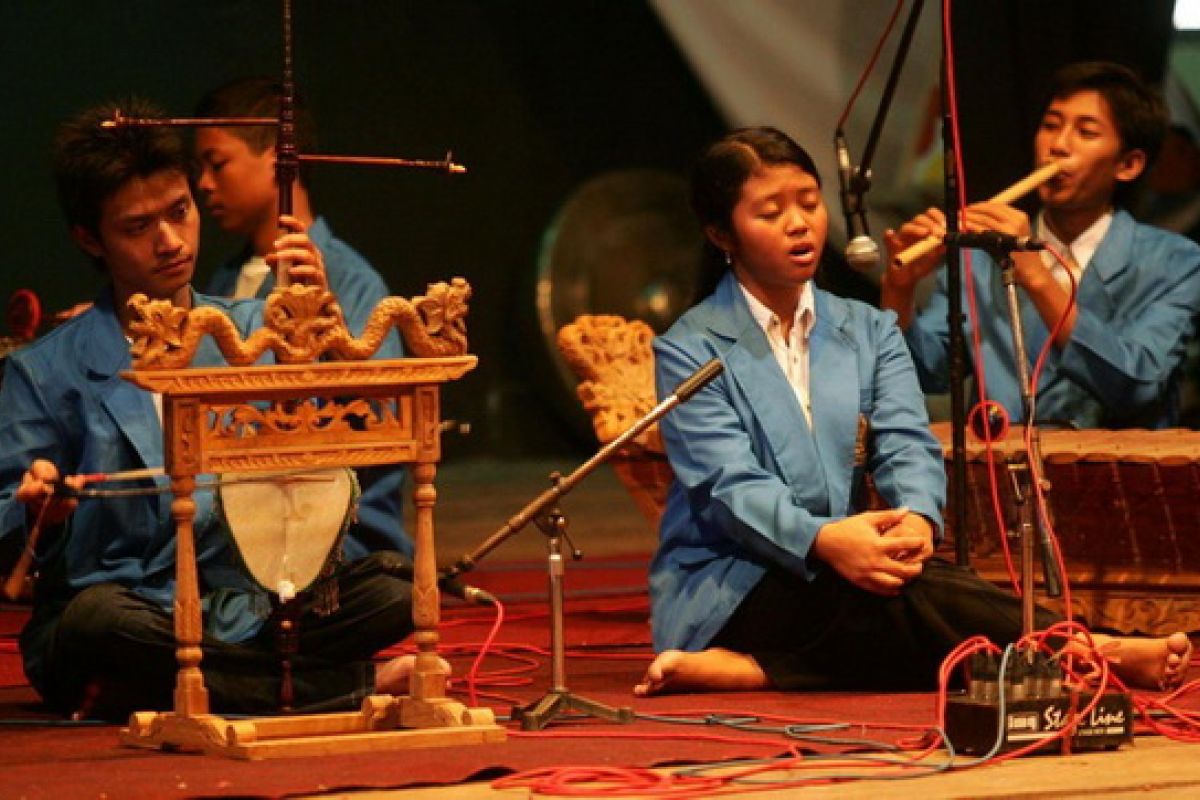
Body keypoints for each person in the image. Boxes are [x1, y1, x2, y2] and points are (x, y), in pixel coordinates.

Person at [634, 126, 1190, 697]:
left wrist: (918, 518)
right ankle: (1091, 649)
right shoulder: (690, 347)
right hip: (735, 576)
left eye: (808, 201)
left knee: (919, 587)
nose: (800, 224)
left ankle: (761, 669)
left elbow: (906, 441)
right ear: (721, 232)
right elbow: (729, 487)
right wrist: (826, 541)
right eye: (770, 212)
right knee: (900, 602)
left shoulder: (867, 328)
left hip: (852, 558)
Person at [0, 99, 419, 720]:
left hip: (250, 610)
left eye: (179, 213)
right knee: (96, 622)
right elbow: (8, 529)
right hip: (131, 615)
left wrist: (320, 330)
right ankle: (337, 689)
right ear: (90, 238)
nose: (170, 242)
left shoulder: (250, 327)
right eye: (138, 227)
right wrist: (43, 513)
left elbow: (345, 435)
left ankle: (229, 683)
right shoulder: (44, 370)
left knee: (396, 587)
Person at [881, 61, 1200, 430]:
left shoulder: (1175, 262)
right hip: (999, 478)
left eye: (1086, 132)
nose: (1058, 146)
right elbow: (927, 371)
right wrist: (899, 290)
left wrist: (1035, 275)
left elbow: (1136, 385)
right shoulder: (978, 259)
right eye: (1051, 126)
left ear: (1128, 164)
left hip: (1118, 477)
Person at [194, 76, 408, 560]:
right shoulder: (224, 279)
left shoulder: (351, 280)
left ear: (276, 157)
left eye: (217, 163)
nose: (203, 184)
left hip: (333, 530)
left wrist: (326, 319)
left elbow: (386, 424)